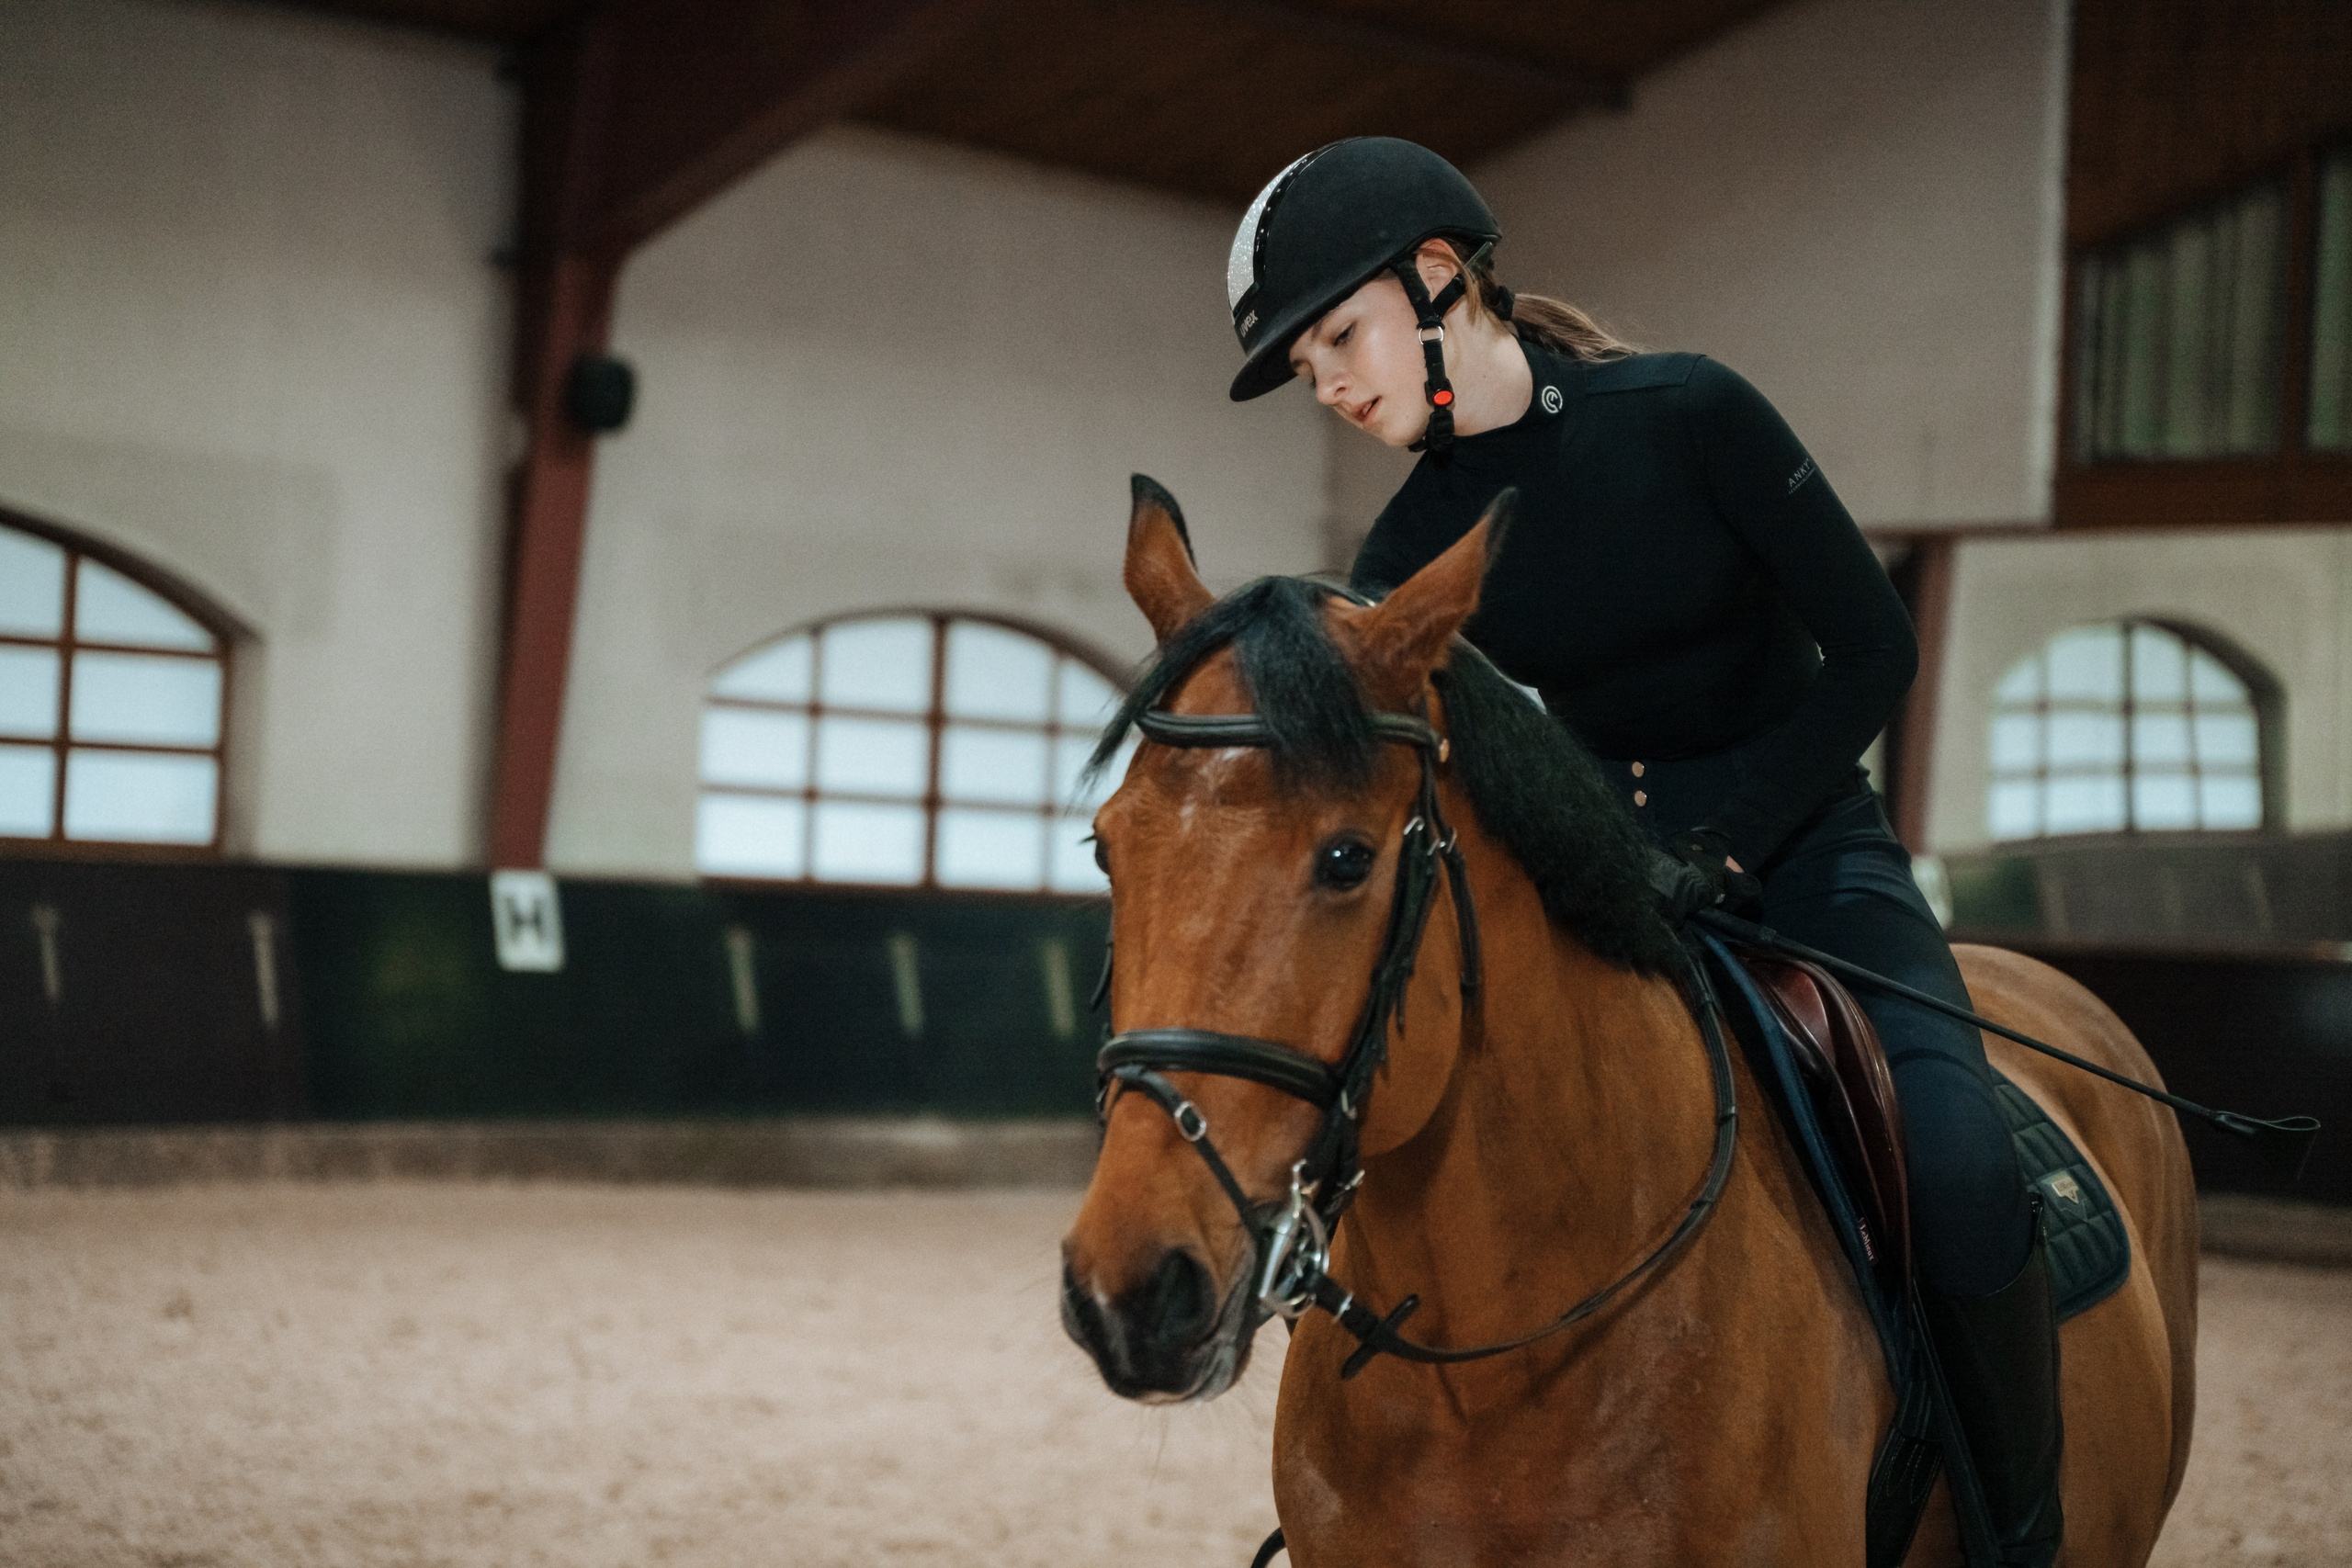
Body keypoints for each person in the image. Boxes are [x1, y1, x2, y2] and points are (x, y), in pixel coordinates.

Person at [1222, 136, 2062, 1568]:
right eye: (1308, 370)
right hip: (1603, 876)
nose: (1336, 385)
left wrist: (1730, 843)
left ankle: (2016, 1536)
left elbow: (1876, 651)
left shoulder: (1690, 414)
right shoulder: (1415, 539)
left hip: (1808, 851)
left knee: (1965, 1168)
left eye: (1340, 338)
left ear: (1438, 279)